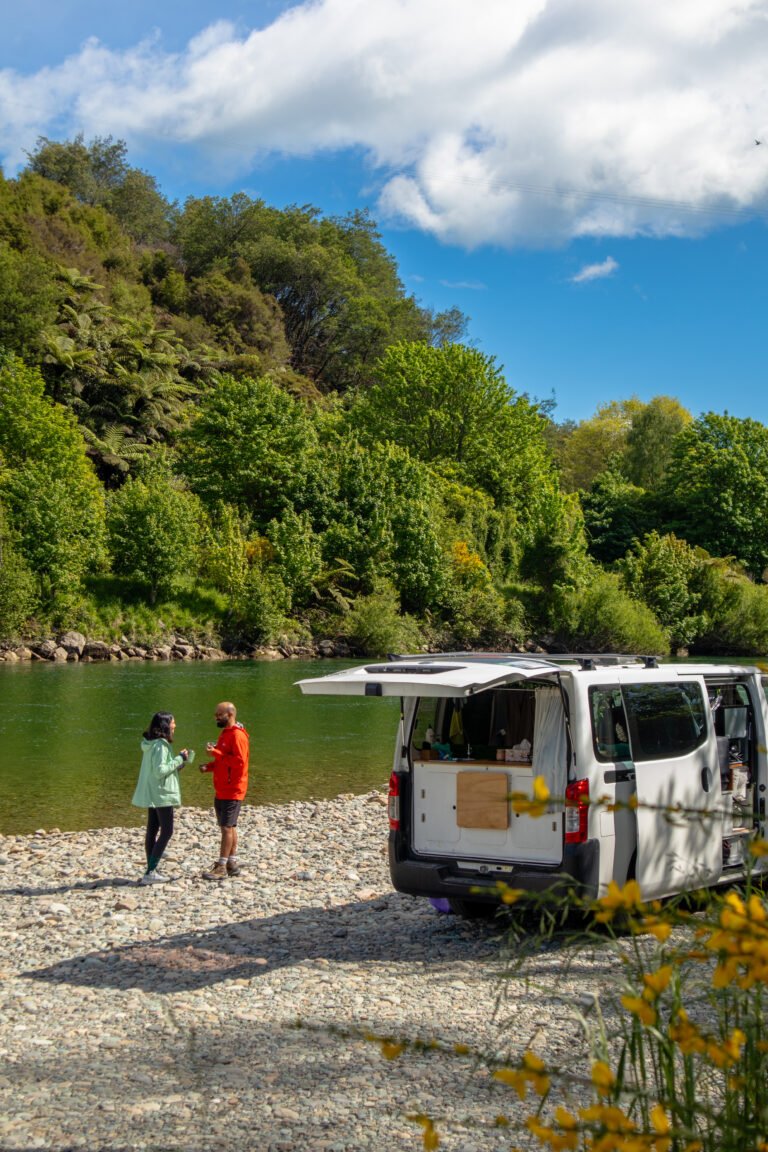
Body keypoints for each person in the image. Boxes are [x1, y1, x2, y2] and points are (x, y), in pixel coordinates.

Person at [131, 711, 190, 885]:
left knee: (152, 830)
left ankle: (152, 869)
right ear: (165, 725)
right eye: (173, 722)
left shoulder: (150, 744)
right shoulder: (161, 745)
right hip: (162, 793)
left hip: (152, 792)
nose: (175, 726)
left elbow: (158, 770)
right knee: (167, 831)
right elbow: (160, 771)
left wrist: (178, 765)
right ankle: (150, 871)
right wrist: (180, 758)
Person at [199, 700, 249, 879]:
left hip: (233, 789)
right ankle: (231, 863)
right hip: (223, 788)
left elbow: (239, 763)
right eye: (216, 714)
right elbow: (224, 760)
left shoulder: (237, 736)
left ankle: (221, 866)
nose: (216, 717)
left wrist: (216, 754)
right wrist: (210, 766)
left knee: (227, 827)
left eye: (219, 714)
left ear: (230, 715)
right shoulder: (225, 733)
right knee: (229, 826)